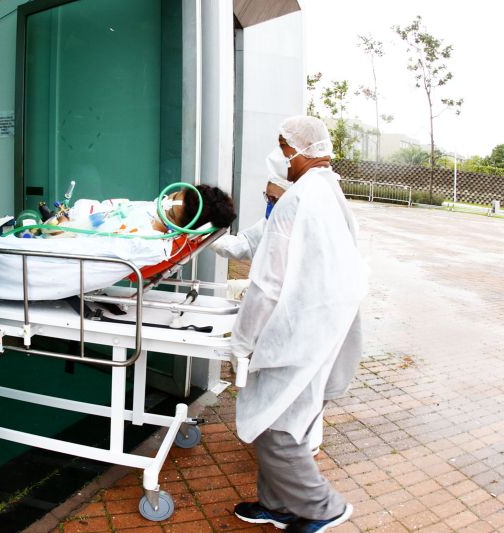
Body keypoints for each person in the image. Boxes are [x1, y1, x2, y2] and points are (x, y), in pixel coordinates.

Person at [230, 116, 367, 532]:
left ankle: (323, 507)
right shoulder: (330, 190)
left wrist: (242, 340)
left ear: (298, 149)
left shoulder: (297, 200)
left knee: (276, 426)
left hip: (301, 331)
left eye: (282, 145)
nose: (278, 155)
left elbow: (268, 284)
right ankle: (277, 505)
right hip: (329, 324)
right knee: (292, 417)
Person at [52, 184, 236, 237]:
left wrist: (65, 222)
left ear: (182, 228)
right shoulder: (148, 210)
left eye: (169, 214)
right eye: (172, 196)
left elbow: (75, 235)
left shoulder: (144, 235)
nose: (162, 206)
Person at [209, 176, 291, 261]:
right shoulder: (269, 224)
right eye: (267, 198)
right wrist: (209, 238)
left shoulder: (301, 230)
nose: (269, 204)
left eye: (274, 199)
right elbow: (246, 244)